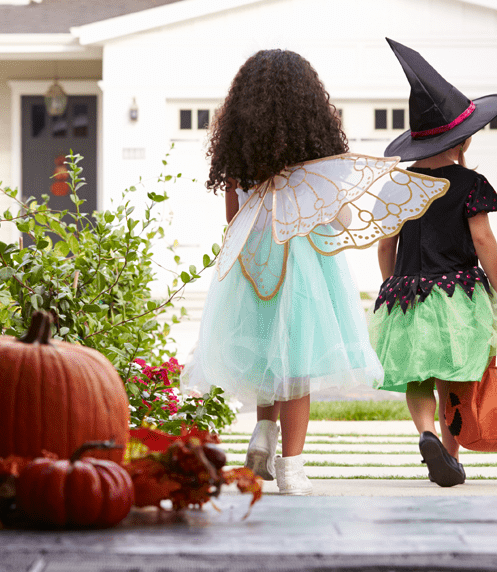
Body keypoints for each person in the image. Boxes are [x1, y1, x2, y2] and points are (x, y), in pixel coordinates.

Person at [182, 49, 448, 495]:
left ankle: (263, 434)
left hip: (252, 268)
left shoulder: (240, 165)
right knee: (297, 365)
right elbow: (340, 219)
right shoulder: (317, 167)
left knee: (267, 351)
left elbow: (233, 224)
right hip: (304, 269)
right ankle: (293, 468)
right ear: (310, 110)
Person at [368, 39, 497, 487]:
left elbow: (383, 245)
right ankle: (450, 454)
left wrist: (392, 282)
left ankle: (426, 434)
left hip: (408, 292)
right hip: (459, 294)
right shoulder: (470, 183)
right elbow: (483, 238)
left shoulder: (398, 187)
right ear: (463, 138)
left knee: (417, 375)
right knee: (456, 374)